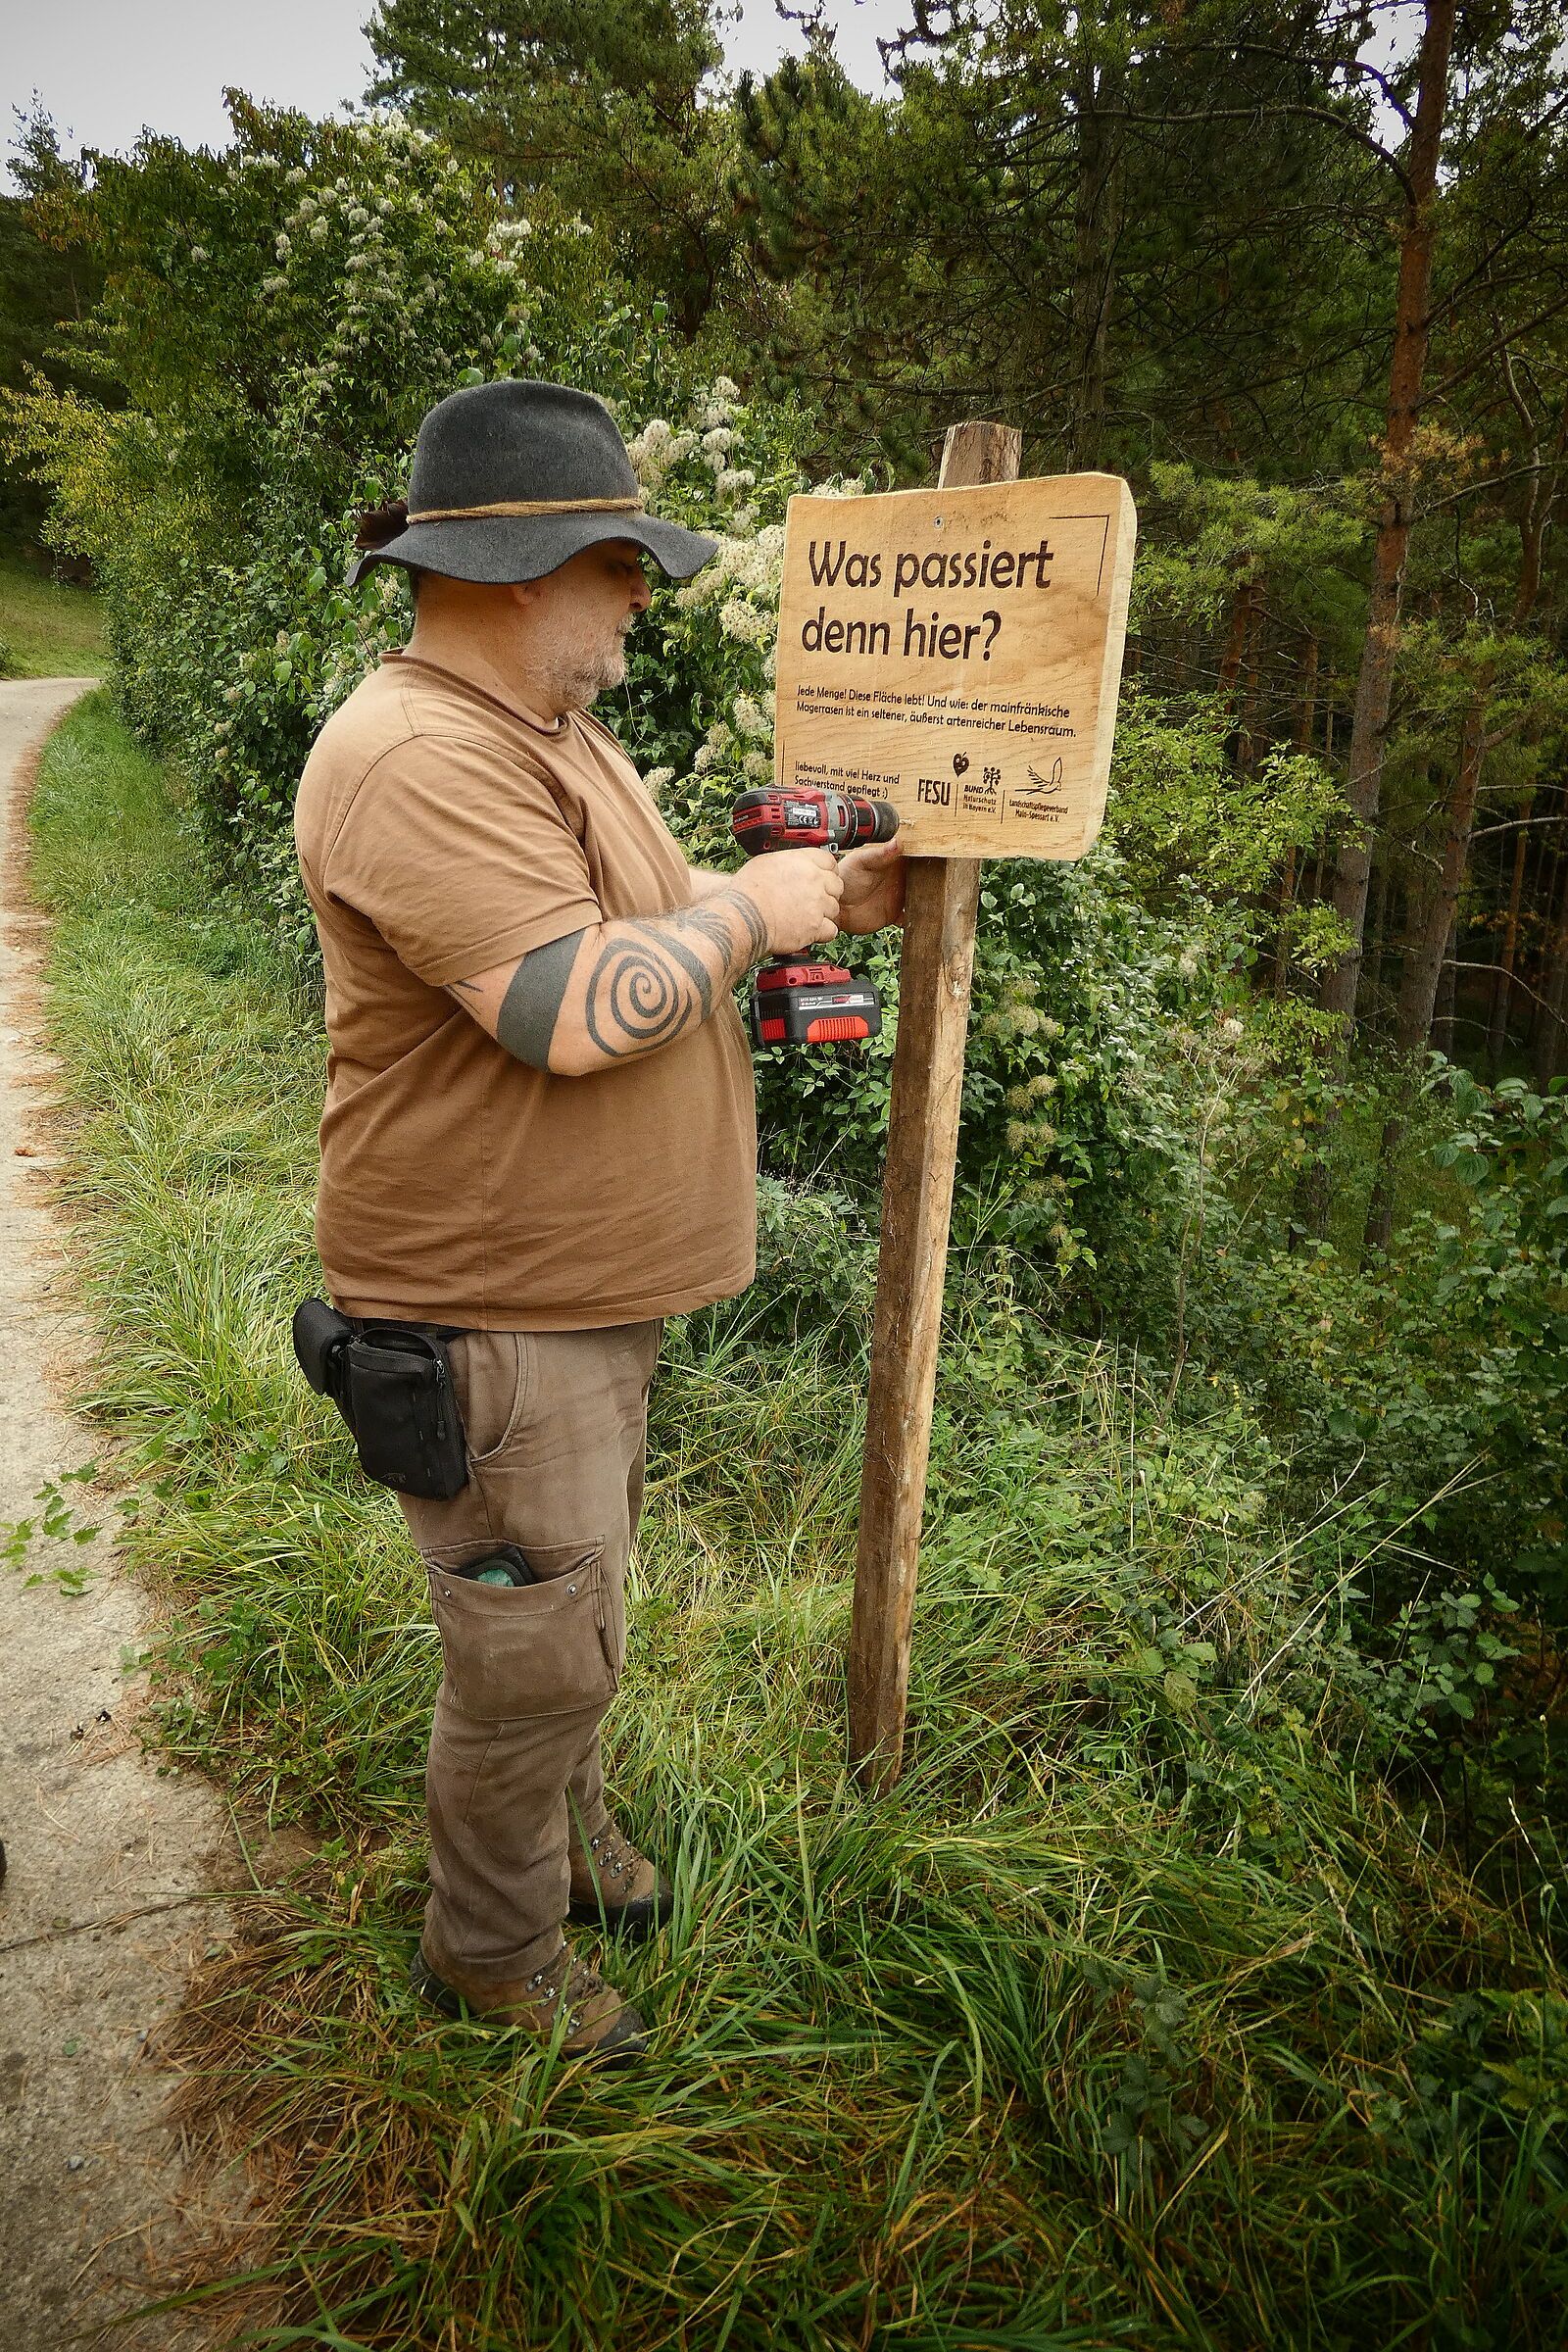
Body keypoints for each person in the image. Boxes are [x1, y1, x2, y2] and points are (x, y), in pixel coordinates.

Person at [293, 379, 905, 2065]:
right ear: (518, 571)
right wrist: (748, 914)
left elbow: (635, 915)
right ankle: (490, 1950)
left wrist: (801, 910)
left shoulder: (545, 733)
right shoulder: (415, 756)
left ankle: (560, 1845)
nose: (643, 590)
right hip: (488, 1308)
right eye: (619, 560)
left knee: (573, 1608)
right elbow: (565, 1007)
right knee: (530, 1656)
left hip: (568, 1297)